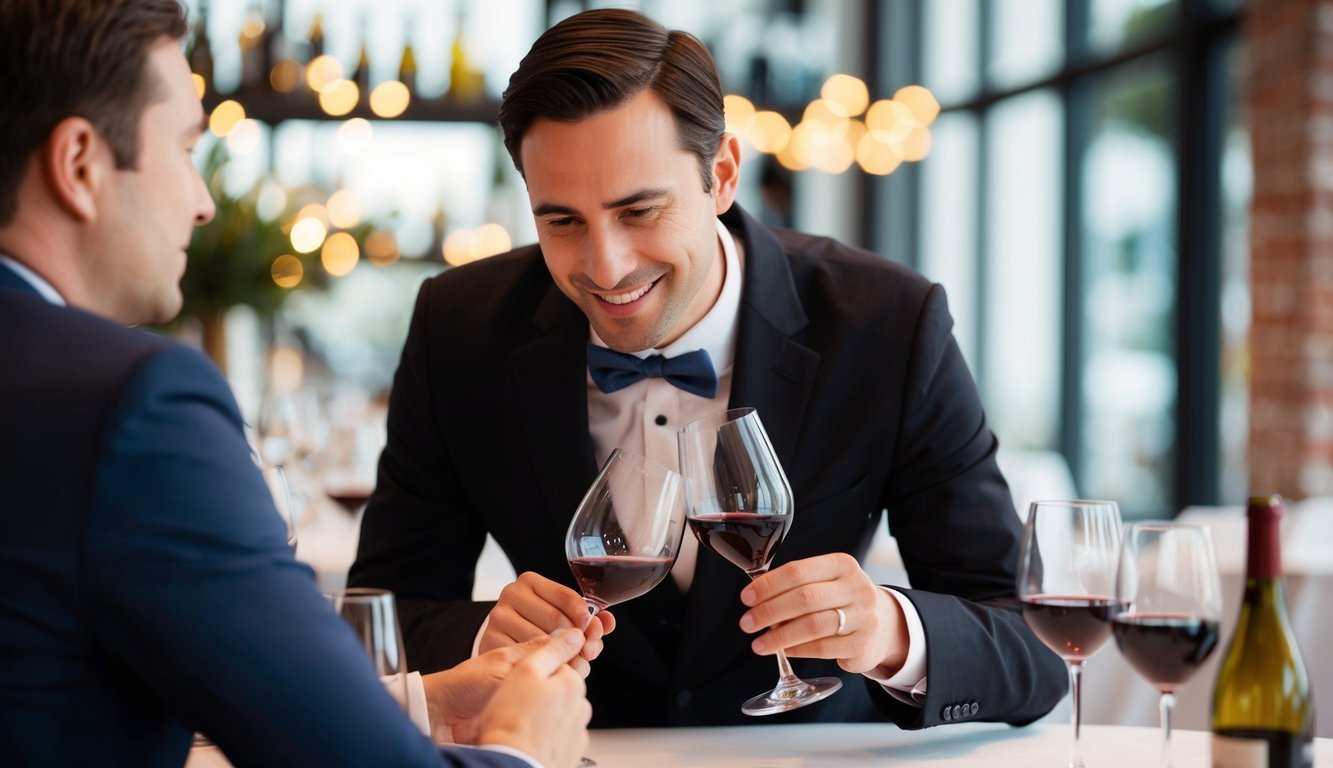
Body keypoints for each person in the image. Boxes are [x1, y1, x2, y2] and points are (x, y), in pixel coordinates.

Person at [349, 8, 1068, 729]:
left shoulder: (888, 323)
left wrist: (889, 630)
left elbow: (1030, 645)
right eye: (561, 221)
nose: (605, 267)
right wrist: (482, 639)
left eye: (638, 211)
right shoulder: (459, 328)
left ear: (721, 174)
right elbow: (377, 618)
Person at [0, 1, 590, 766]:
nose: (203, 200)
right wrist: (521, 753)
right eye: (184, 148)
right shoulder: (130, 402)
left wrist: (419, 702)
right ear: (79, 164)